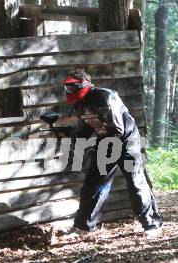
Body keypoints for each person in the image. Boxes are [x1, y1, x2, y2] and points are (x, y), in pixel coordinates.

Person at [55, 69, 162, 238]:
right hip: (107, 143)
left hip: (127, 143)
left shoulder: (103, 96)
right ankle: (83, 227)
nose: (69, 91)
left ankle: (152, 225)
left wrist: (97, 144)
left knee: (136, 183)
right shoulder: (80, 104)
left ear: (84, 85)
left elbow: (117, 128)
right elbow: (86, 128)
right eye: (67, 88)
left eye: (72, 87)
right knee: (92, 186)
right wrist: (68, 135)